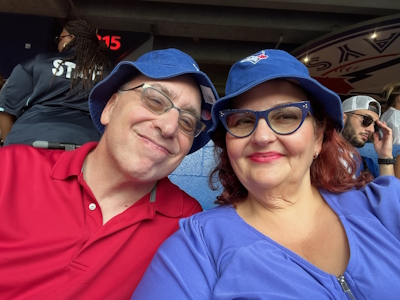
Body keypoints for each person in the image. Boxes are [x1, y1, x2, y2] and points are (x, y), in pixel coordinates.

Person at [132, 49, 400, 300]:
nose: (261, 136)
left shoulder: (383, 205)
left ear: (318, 138)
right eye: (244, 120)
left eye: (286, 116)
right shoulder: (197, 246)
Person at [0, 48, 218, 299]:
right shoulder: (10, 169)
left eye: (187, 122)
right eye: (155, 100)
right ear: (110, 107)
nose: (169, 127)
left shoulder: (187, 224)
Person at [0, 20, 111, 147]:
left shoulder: (38, 62)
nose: (58, 43)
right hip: (86, 144)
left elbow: (6, 110)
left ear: (71, 38)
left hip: (29, 138)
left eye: (60, 38)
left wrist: (9, 146)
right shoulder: (108, 72)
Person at [341, 95, 394, 178]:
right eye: (366, 120)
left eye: (375, 125)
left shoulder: (368, 165)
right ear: (343, 117)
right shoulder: (316, 155)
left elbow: (389, 191)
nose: (372, 130)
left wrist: (385, 156)